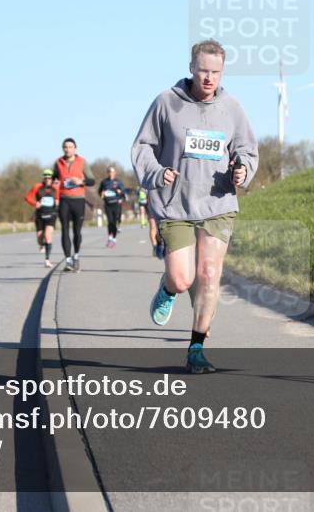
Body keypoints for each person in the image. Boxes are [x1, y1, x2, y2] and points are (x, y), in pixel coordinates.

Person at [132, 38, 258, 374]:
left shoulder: (232, 107)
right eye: (203, 71)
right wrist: (157, 172)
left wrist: (243, 170)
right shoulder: (166, 102)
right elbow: (143, 147)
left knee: (210, 274)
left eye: (215, 72)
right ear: (191, 67)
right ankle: (168, 287)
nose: (208, 78)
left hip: (218, 203)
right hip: (176, 205)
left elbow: (246, 150)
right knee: (182, 278)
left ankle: (197, 347)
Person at [52, 138, 96, 272]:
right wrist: (55, 182)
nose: (68, 149)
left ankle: (76, 256)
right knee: (65, 230)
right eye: (65, 147)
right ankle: (68, 260)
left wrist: (81, 181)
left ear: (75, 149)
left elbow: (92, 180)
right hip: (64, 200)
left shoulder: (82, 161)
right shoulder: (58, 162)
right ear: (63, 149)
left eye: (70, 147)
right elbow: (54, 178)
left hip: (78, 199)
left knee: (77, 231)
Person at [24, 169, 61, 267]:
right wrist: (35, 203)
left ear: (52, 178)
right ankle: (42, 245)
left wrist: (58, 203)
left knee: (48, 236)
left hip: (51, 215)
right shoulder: (37, 187)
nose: (48, 179)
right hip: (40, 215)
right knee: (40, 239)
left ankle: (47, 260)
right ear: (43, 178)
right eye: (46, 177)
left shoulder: (55, 188)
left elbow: (59, 198)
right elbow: (27, 197)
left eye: (49, 177)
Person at [98, 165, 128, 248]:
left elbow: (123, 192)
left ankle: (114, 238)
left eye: (112, 171)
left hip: (116, 204)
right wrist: (102, 194)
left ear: (115, 173)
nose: (110, 173)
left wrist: (120, 192)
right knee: (110, 221)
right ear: (107, 173)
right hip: (108, 204)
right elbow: (100, 191)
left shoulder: (118, 182)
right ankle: (110, 237)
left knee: (114, 222)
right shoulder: (104, 182)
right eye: (109, 171)